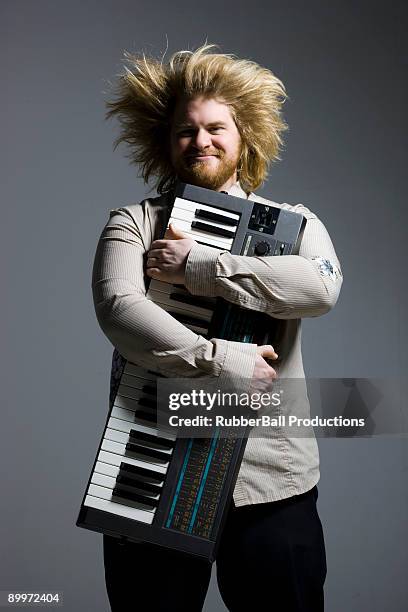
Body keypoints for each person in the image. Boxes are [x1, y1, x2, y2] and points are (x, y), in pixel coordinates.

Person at [92, 43, 343, 612]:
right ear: (166, 141)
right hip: (151, 465)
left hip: (271, 483)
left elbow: (319, 288)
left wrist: (200, 268)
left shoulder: (299, 225)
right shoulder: (134, 223)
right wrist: (220, 359)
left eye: (215, 128)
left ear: (243, 137)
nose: (201, 141)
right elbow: (119, 309)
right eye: (186, 130)